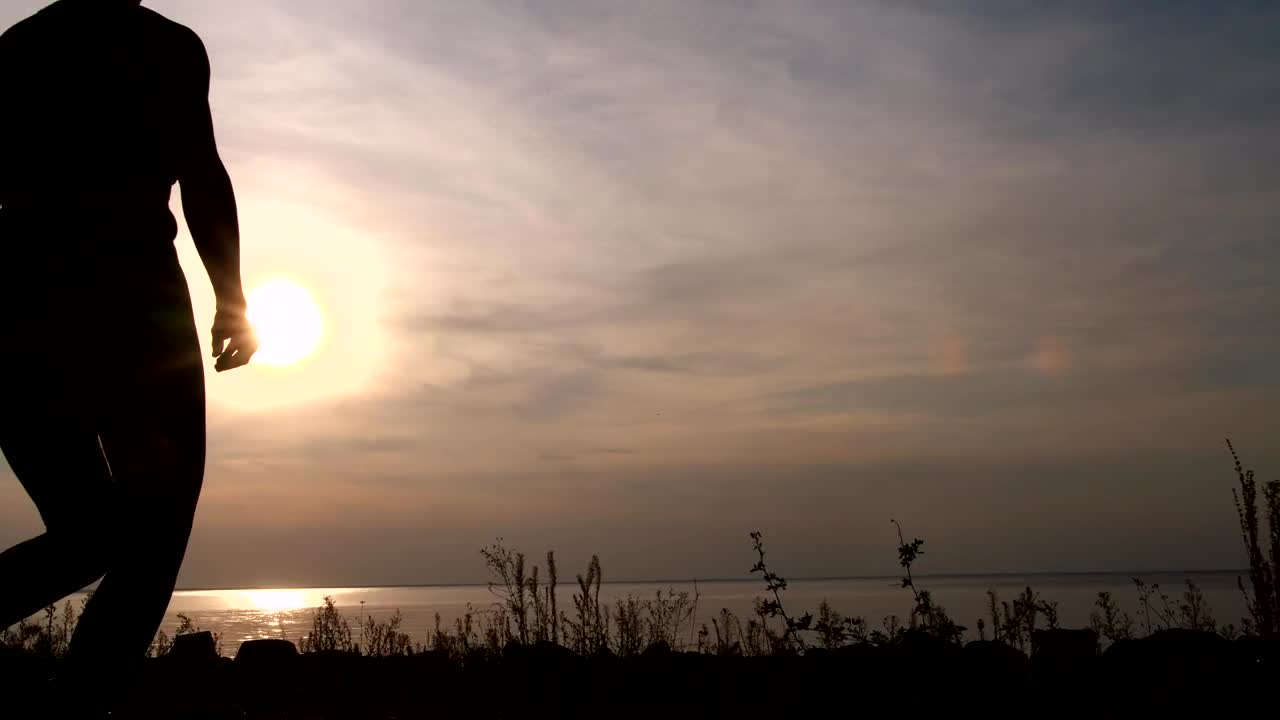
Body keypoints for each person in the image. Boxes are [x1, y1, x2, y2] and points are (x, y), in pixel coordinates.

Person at [0, 0, 255, 699]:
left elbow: (202, 175)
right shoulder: (166, 47)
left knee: (91, 534)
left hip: (25, 304)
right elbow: (201, 174)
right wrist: (231, 298)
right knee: (150, 533)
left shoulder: (20, 46)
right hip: (132, 312)